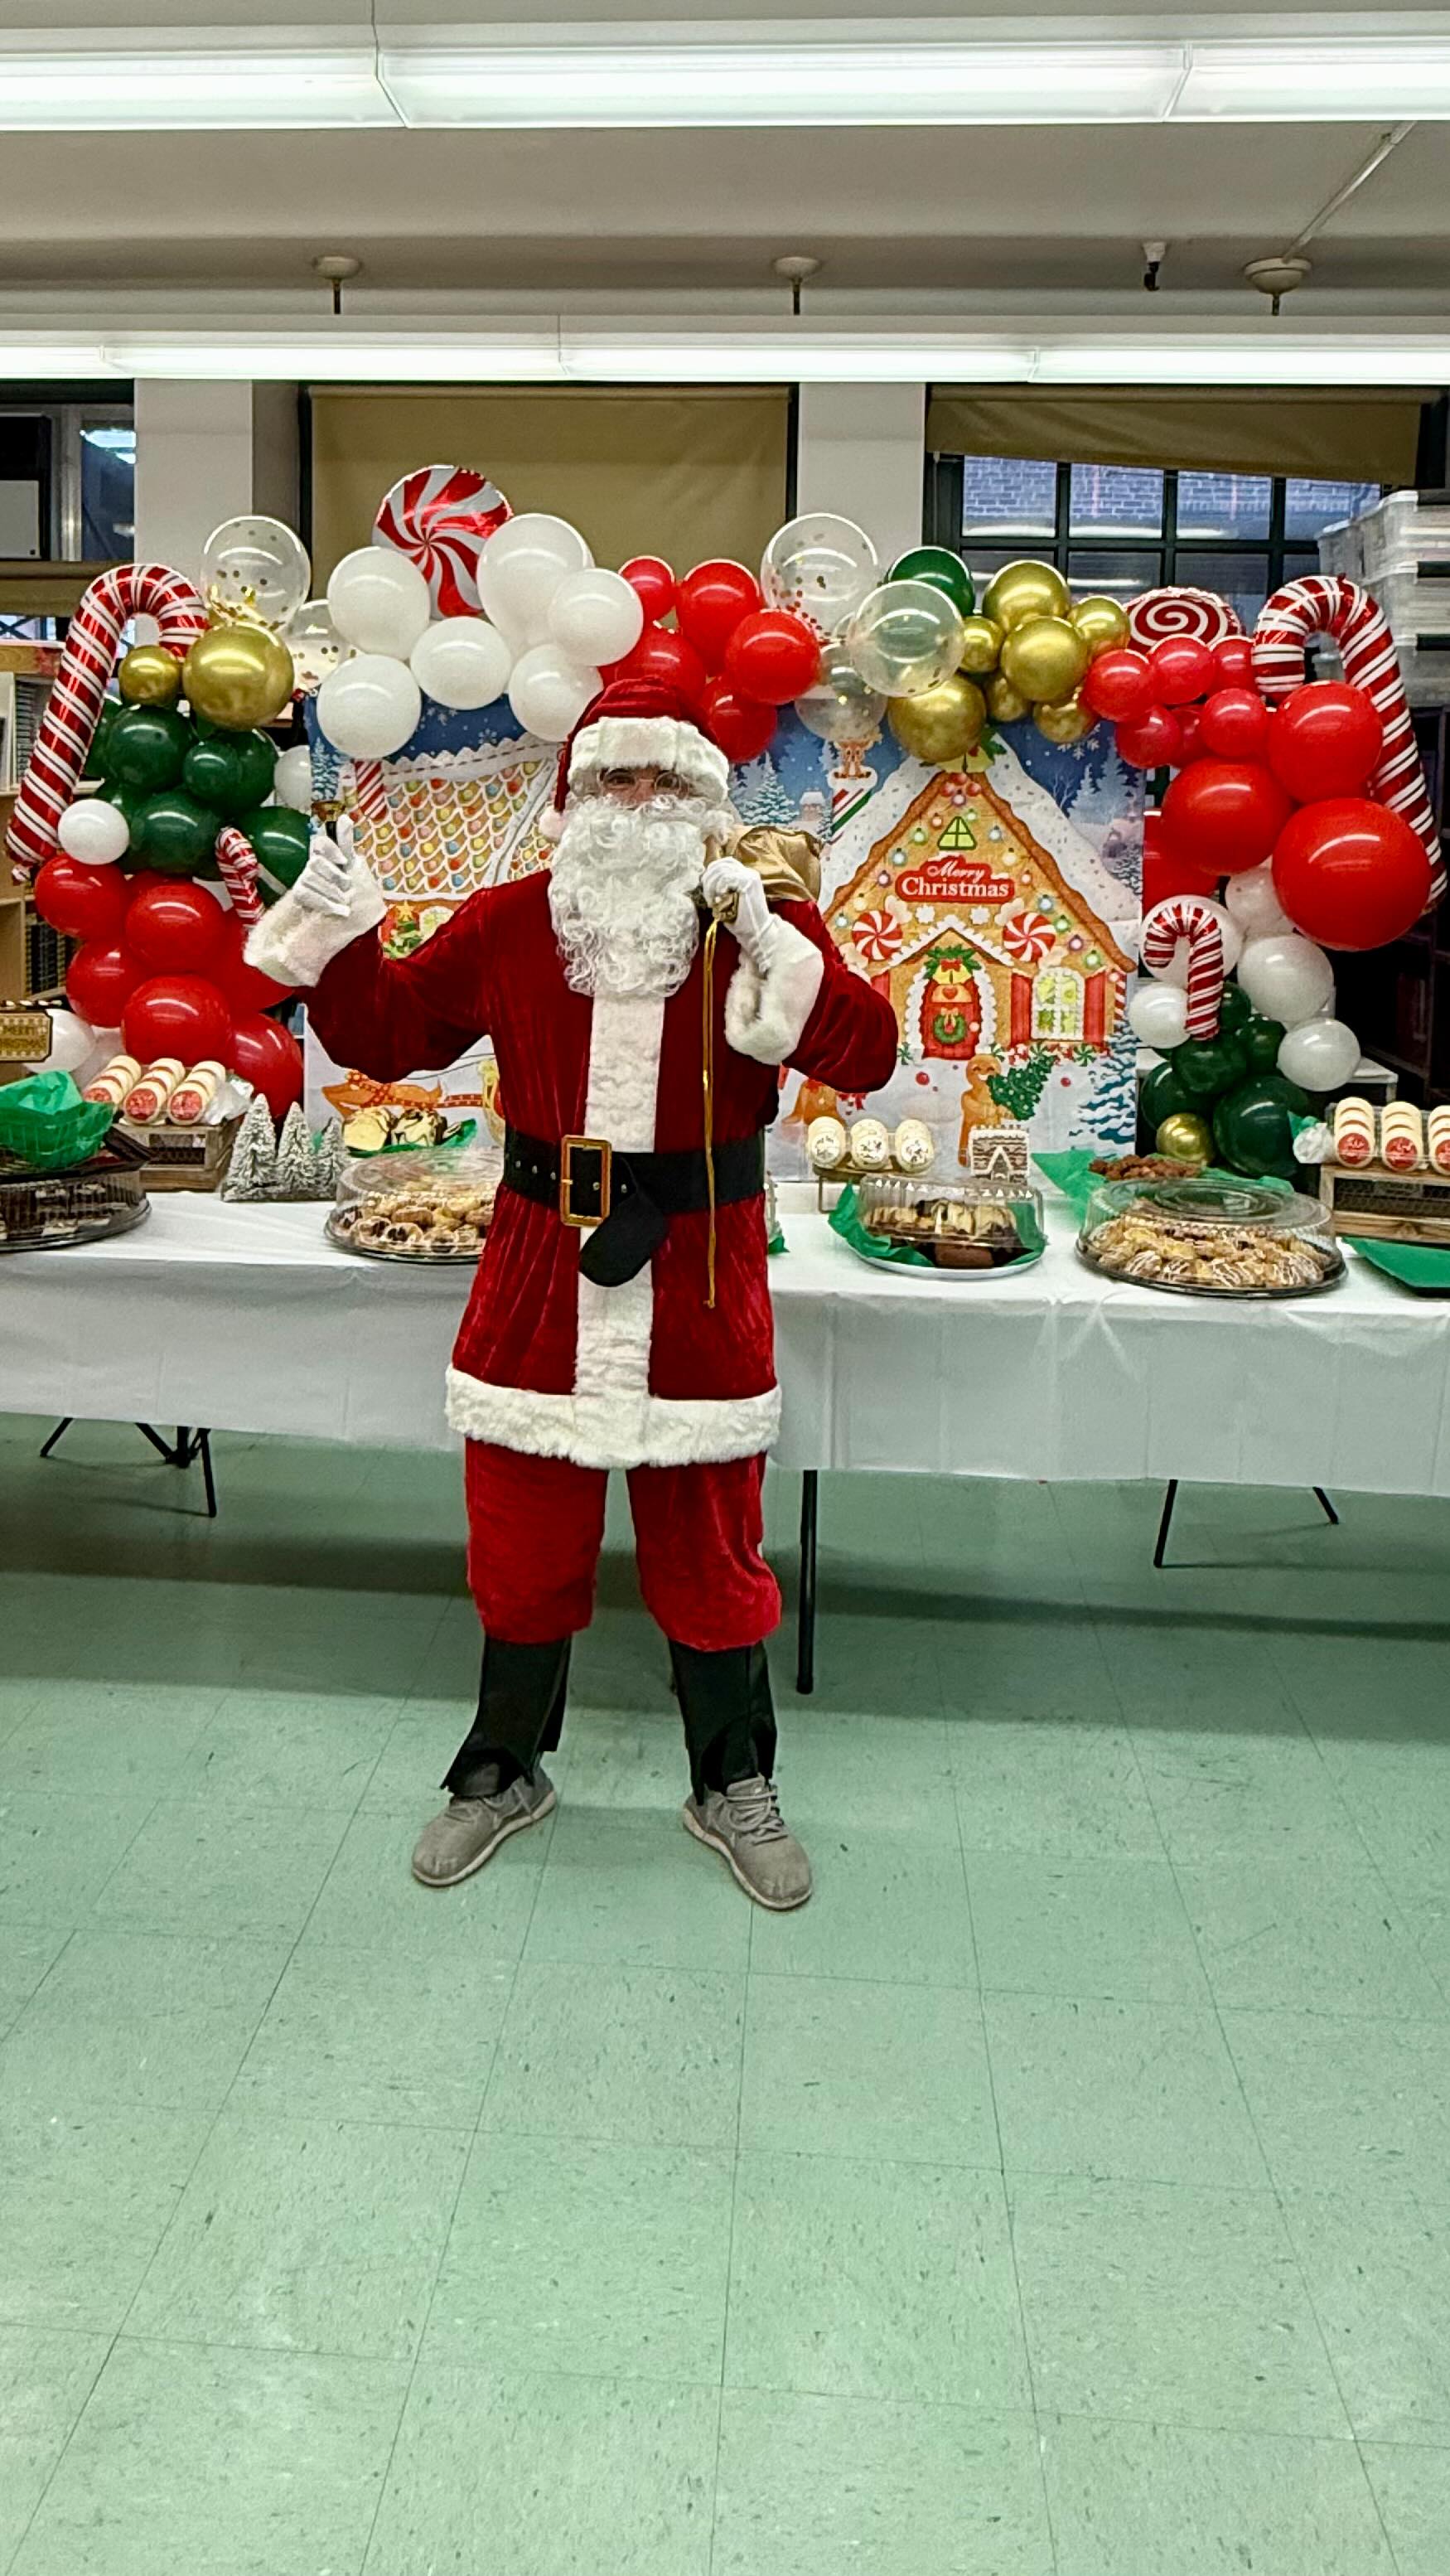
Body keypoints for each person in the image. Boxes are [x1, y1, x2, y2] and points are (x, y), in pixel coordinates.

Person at [247, 676, 897, 1909]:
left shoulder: (749, 925)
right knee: (522, 1535)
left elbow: (866, 1054)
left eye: (665, 781)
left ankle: (731, 1780)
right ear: (574, 798)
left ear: (706, 802)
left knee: (712, 1544)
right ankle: (501, 1770)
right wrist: (332, 943)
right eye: (614, 778)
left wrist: (789, 951)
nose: (639, 803)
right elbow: (389, 1035)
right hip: (543, 1262)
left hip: (705, 1267)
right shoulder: (506, 924)